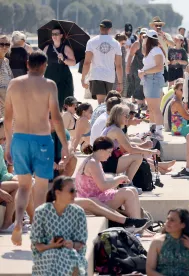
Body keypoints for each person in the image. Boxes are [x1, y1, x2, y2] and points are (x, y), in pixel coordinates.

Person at [5, 51, 70, 246]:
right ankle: (39, 231)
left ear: (27, 64)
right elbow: (56, 118)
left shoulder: (13, 84)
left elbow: (7, 119)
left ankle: (18, 223)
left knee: (24, 186)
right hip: (42, 139)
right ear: (44, 66)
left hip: (19, 138)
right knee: (40, 188)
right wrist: (65, 145)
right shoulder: (49, 85)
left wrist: (8, 144)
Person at [30, 176, 87, 275]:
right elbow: (37, 245)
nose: (75, 194)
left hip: (71, 253)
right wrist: (51, 246)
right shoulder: (41, 212)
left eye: (75, 191)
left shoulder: (78, 212)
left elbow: (81, 243)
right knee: (56, 255)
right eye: (71, 191)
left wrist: (72, 244)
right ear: (58, 193)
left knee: (69, 255)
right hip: (46, 255)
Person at [75, 136, 142, 219]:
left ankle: (137, 223)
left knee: (132, 190)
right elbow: (103, 187)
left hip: (96, 197)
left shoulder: (93, 160)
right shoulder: (93, 163)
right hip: (93, 202)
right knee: (128, 193)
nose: (110, 155)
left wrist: (118, 180)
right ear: (101, 150)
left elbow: (100, 183)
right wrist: (119, 179)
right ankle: (135, 224)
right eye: (109, 152)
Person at [100, 105, 159, 180]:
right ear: (118, 116)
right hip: (107, 163)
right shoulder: (116, 130)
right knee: (138, 157)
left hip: (106, 161)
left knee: (137, 154)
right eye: (126, 116)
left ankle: (126, 181)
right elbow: (130, 149)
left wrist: (145, 148)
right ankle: (127, 183)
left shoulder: (112, 127)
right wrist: (151, 151)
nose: (128, 118)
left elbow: (127, 146)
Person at [146, 209, 189, 276]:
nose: (168, 222)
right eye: (168, 219)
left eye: (172, 220)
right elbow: (150, 271)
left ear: (183, 225)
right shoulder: (157, 242)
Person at [81, 19, 123, 105]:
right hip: (109, 76)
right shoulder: (115, 43)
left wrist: (83, 78)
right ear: (110, 29)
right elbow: (118, 65)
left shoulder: (91, 42)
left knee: (100, 103)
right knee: (108, 103)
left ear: (100, 28)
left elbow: (87, 63)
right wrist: (120, 82)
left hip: (96, 75)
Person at [138, 29, 166, 141]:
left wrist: (144, 72)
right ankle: (153, 130)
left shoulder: (156, 51)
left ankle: (158, 133)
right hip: (150, 79)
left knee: (155, 109)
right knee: (152, 108)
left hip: (153, 79)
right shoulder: (152, 50)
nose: (143, 39)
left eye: (145, 37)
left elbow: (159, 67)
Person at [126, 28, 147, 107]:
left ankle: (143, 102)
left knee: (144, 85)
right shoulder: (137, 44)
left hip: (145, 68)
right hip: (136, 67)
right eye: (142, 35)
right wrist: (128, 67)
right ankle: (139, 104)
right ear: (140, 35)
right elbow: (130, 55)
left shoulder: (148, 44)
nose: (144, 36)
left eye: (145, 35)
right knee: (138, 85)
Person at [0, 35, 14, 118]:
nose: (4, 47)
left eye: (7, 44)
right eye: (1, 44)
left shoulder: (6, 60)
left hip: (8, 99)